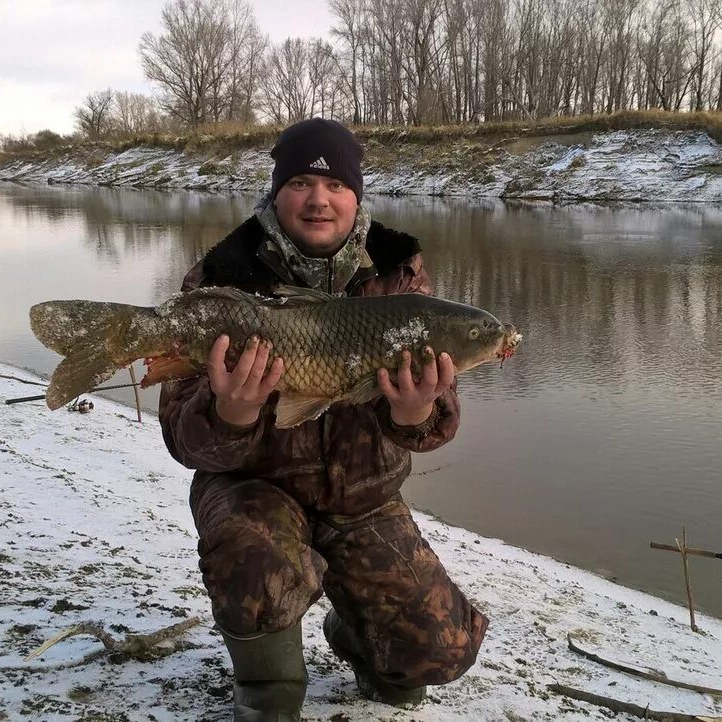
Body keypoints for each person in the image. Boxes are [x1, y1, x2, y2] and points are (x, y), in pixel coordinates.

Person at [159, 118, 487, 721]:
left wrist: (413, 414)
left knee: (436, 655)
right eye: (302, 182)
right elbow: (184, 436)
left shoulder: (398, 274)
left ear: (356, 196)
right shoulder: (225, 275)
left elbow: (438, 421)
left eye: (335, 184)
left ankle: (350, 628)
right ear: (277, 193)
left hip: (361, 496)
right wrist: (233, 413)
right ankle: (267, 687)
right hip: (253, 489)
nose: (318, 199)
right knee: (257, 570)